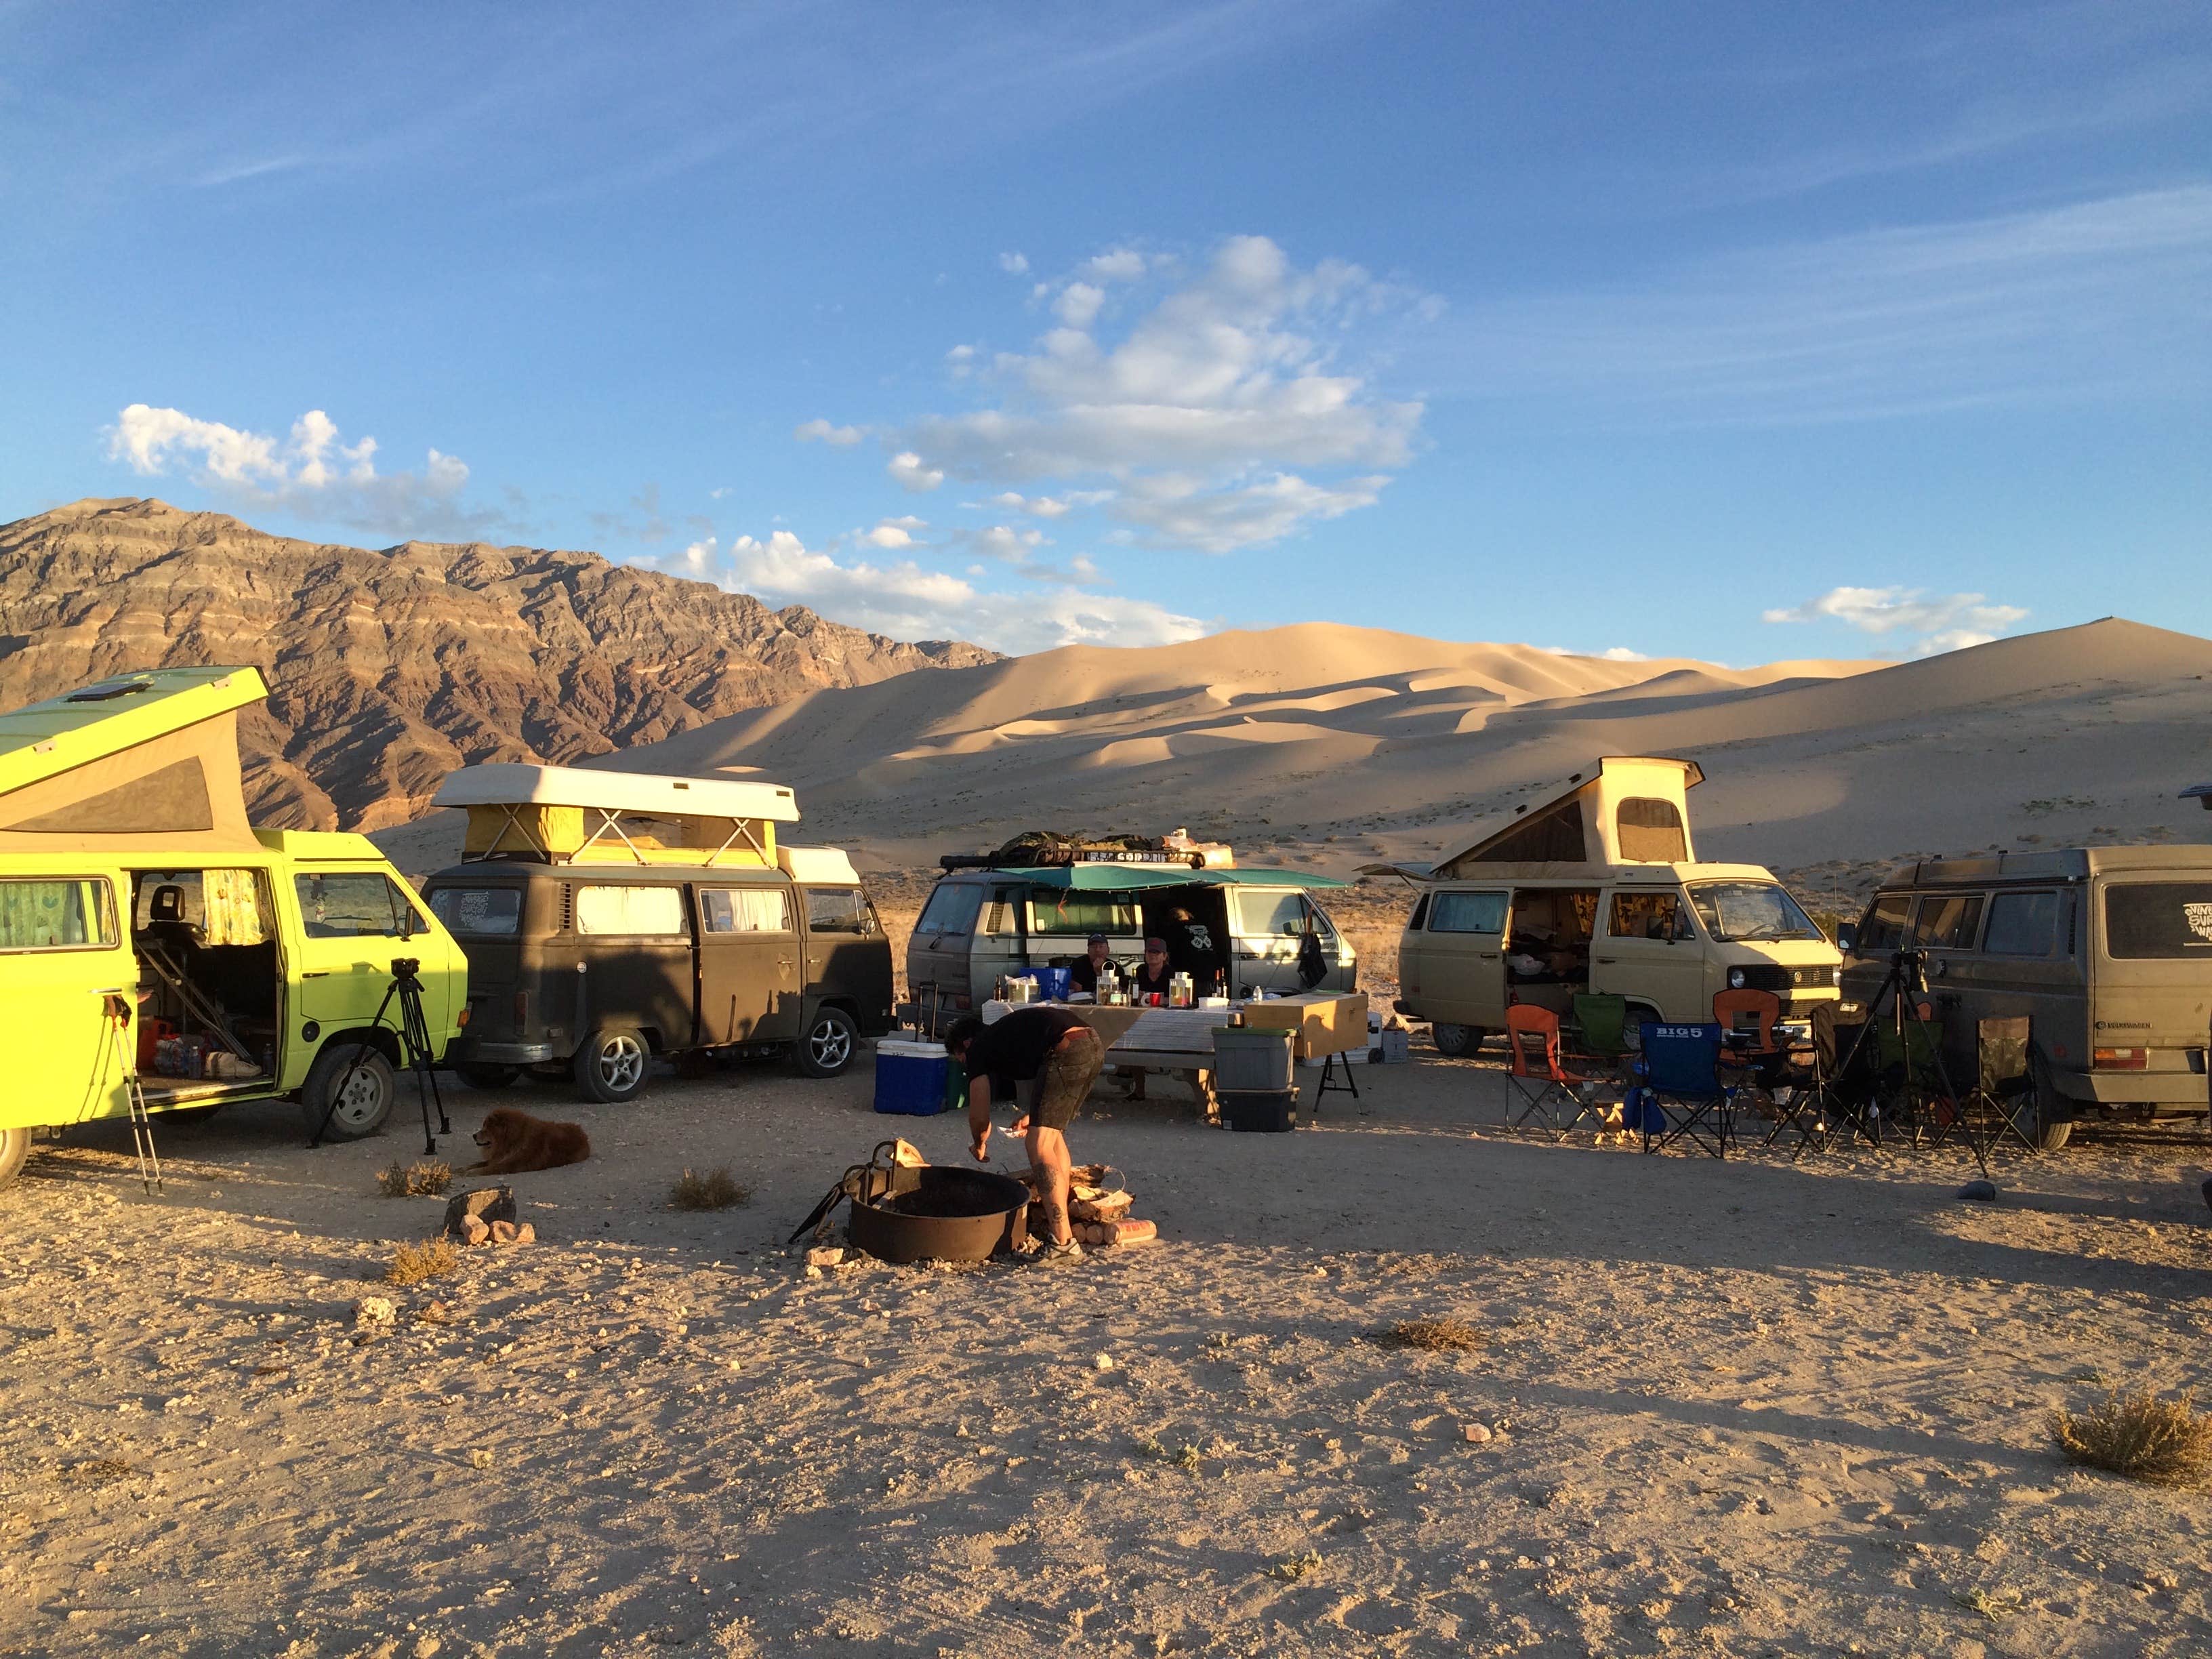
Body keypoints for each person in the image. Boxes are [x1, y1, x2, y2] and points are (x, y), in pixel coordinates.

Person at [946, 1006, 1105, 1262]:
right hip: (1092, 1043)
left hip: (1065, 1048)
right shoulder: (1005, 1037)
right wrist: (1034, 1116)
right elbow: (1050, 1083)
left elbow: (979, 1114)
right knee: (1052, 1138)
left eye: (960, 1058)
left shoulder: (978, 1048)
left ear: (965, 1044)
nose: (965, 1065)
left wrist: (979, 1142)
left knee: (1038, 1145)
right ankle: (1064, 1235)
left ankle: (1063, 1242)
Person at [1067, 933, 1115, 998]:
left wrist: (1099, 973)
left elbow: (1115, 991)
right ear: (1088, 951)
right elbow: (1076, 990)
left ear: (1108, 950)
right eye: (1094, 947)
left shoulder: (1114, 966)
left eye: (1101, 947)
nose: (1097, 950)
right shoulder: (1078, 964)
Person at [1130, 937, 1174, 1004]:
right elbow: (1132, 994)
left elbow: (1177, 999)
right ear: (1145, 954)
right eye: (1150, 951)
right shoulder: (1140, 970)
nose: (1152, 955)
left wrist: (1150, 999)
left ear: (1165, 956)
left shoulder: (1171, 973)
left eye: (1157, 952)